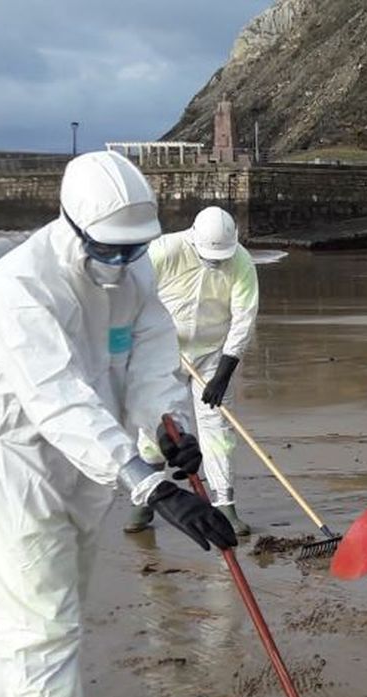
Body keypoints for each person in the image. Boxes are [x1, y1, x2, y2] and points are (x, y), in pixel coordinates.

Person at [0, 152, 237, 697]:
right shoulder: (20, 286)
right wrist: (146, 482)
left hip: (88, 465)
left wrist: (171, 428)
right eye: (109, 250)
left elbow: (150, 358)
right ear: (73, 225)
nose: (121, 263)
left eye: (132, 249)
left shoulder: (133, 272)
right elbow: (58, 400)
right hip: (17, 466)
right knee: (44, 624)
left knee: (46, 608)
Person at [124, 206, 259, 537]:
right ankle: (146, 499)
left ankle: (224, 504)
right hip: (164, 352)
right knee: (159, 427)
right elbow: (133, 296)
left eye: (221, 257)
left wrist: (225, 371)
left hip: (215, 352)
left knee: (219, 430)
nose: (216, 262)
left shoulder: (241, 262)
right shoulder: (165, 250)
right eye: (210, 257)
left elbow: (244, 316)